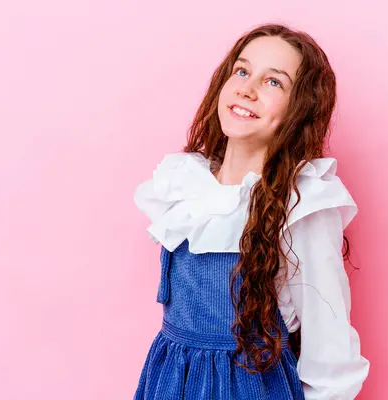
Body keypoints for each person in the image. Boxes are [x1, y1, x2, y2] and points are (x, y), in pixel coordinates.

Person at [133, 23, 370, 399]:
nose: (247, 87)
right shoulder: (183, 184)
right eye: (242, 71)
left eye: (273, 82)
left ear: (300, 109)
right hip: (171, 383)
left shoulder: (302, 206)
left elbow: (331, 359)